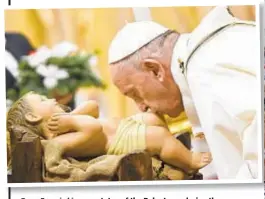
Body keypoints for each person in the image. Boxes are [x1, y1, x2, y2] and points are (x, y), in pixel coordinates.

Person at [108, 6, 259, 179]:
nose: (141, 107)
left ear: (155, 70)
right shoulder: (210, 53)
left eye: (135, 94)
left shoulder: (207, 67)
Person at [6, 92, 212, 175]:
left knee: (153, 118)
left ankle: (169, 155)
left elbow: (93, 107)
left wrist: (72, 115)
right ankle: (189, 161)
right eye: (43, 101)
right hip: (119, 142)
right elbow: (93, 129)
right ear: (33, 118)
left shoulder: (63, 124)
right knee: (158, 138)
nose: (50, 100)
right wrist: (71, 120)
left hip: (123, 126)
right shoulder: (58, 139)